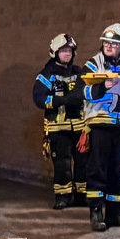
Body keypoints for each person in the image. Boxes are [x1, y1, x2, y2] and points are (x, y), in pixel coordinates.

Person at [82, 23, 120, 232]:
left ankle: (115, 214)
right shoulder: (94, 64)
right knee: (97, 170)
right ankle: (96, 213)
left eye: (114, 44)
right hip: (100, 125)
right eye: (106, 43)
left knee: (117, 171)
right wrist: (101, 87)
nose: (108, 46)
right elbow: (80, 92)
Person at [33, 33, 87, 209]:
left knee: (83, 163)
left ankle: (82, 196)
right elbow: (39, 98)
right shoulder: (47, 75)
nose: (67, 54)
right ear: (54, 53)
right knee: (62, 164)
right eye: (63, 51)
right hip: (58, 129)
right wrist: (60, 101)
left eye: (70, 51)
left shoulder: (79, 73)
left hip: (79, 128)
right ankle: (63, 197)